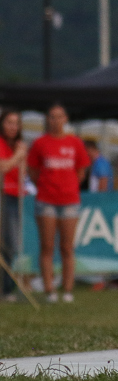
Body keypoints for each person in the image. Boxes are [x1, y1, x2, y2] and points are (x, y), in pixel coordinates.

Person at [26, 104, 90, 302]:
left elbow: (81, 171)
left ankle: (68, 290)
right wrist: (46, 186)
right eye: (52, 117)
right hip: (46, 200)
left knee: (67, 247)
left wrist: (68, 186)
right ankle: (49, 290)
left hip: (69, 200)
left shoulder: (75, 143)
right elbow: (33, 171)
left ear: (65, 119)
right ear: (47, 119)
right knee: (47, 246)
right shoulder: (40, 143)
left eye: (59, 116)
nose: (55, 120)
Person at [0, 110, 27, 302]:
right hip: (3, 195)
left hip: (16, 196)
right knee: (7, 244)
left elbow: (22, 173)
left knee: (13, 245)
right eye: (9, 122)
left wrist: (20, 156)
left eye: (16, 123)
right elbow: (3, 167)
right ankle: (5, 288)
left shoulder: (18, 146)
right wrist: (19, 155)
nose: (12, 127)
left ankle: (7, 287)